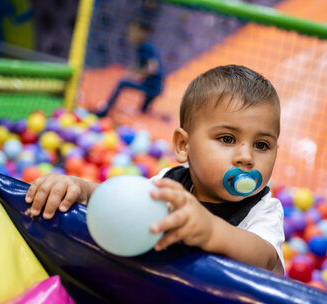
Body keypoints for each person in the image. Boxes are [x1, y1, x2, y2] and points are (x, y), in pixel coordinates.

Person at [26, 65, 285, 275]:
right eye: (227, 139)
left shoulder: (263, 210)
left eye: (262, 145)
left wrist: (211, 230)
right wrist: (81, 189)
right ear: (184, 146)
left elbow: (263, 258)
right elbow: (125, 204)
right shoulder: (169, 184)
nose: (246, 157)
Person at [94, 21, 163, 118]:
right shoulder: (144, 46)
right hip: (155, 87)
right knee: (143, 112)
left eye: (134, 30)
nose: (131, 33)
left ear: (142, 32)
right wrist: (130, 74)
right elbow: (139, 66)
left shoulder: (146, 46)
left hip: (152, 87)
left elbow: (152, 68)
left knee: (122, 84)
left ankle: (104, 112)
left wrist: (136, 75)